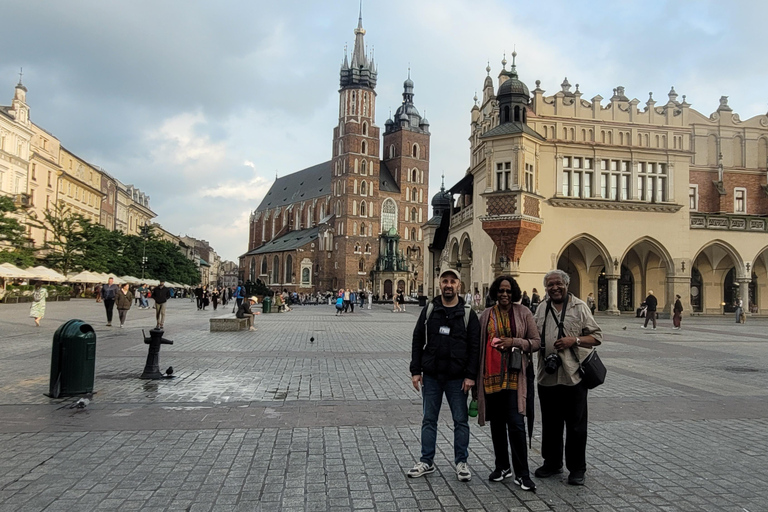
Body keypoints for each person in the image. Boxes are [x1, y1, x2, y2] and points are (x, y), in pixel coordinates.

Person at [408, 268, 481, 482]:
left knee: (461, 420)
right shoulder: (430, 309)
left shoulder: (468, 313)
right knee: (429, 419)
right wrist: (415, 370)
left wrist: (470, 376)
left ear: (459, 285)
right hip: (431, 375)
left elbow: (474, 347)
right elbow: (417, 338)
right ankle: (426, 460)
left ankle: (461, 462)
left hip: (457, 378)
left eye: (453, 281)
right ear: (440, 283)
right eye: (445, 281)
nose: (448, 285)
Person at [534, 269, 602, 486]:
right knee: (550, 424)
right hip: (547, 376)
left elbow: (597, 336)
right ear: (546, 288)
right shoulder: (542, 308)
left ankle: (577, 469)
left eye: (558, 284)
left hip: (574, 377)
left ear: (566, 285)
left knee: (576, 427)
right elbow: (533, 335)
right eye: (550, 285)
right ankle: (552, 463)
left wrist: (575, 340)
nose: (554, 288)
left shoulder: (579, 307)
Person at [476, 275, 540, 491]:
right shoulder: (486, 315)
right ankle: (502, 466)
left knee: (515, 423)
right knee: (496, 424)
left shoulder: (524, 313)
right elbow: (478, 347)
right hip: (491, 377)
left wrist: (515, 342)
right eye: (501, 291)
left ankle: (522, 473)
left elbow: (536, 342)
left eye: (508, 291)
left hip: (515, 377)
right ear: (495, 292)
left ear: (514, 292)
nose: (504, 294)